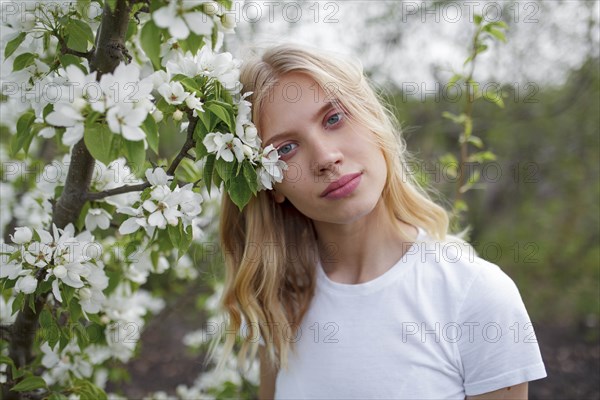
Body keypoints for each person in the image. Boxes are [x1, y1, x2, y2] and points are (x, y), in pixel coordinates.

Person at [215, 44, 547, 399]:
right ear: (272, 185)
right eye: (285, 149)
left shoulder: (477, 295)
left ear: (374, 120)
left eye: (334, 118)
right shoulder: (282, 300)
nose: (326, 158)